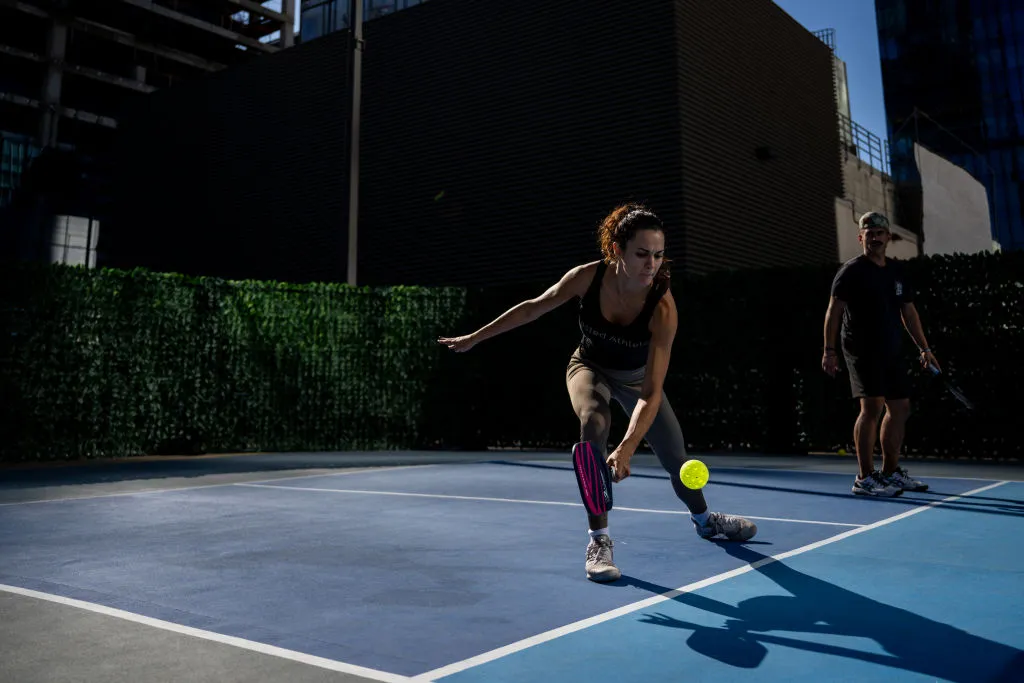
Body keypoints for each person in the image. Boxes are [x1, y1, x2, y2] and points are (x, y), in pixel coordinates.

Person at [438, 203, 757, 583]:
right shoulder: (587, 278)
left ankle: (705, 520)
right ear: (617, 250)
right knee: (593, 423)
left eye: (657, 255)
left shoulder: (662, 307)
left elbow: (652, 392)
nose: (651, 264)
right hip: (588, 367)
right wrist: (475, 338)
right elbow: (531, 309)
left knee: (677, 461)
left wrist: (626, 447)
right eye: (641, 254)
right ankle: (599, 541)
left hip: (638, 380)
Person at [822, 211, 937, 497]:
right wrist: (829, 351)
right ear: (861, 237)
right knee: (871, 408)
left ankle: (890, 472)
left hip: (892, 349)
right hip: (861, 350)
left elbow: (908, 313)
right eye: (869, 233)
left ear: (888, 237)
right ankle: (864, 478)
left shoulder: (897, 272)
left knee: (900, 408)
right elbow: (833, 312)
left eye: (879, 233)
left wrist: (925, 348)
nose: (874, 237)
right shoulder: (851, 271)